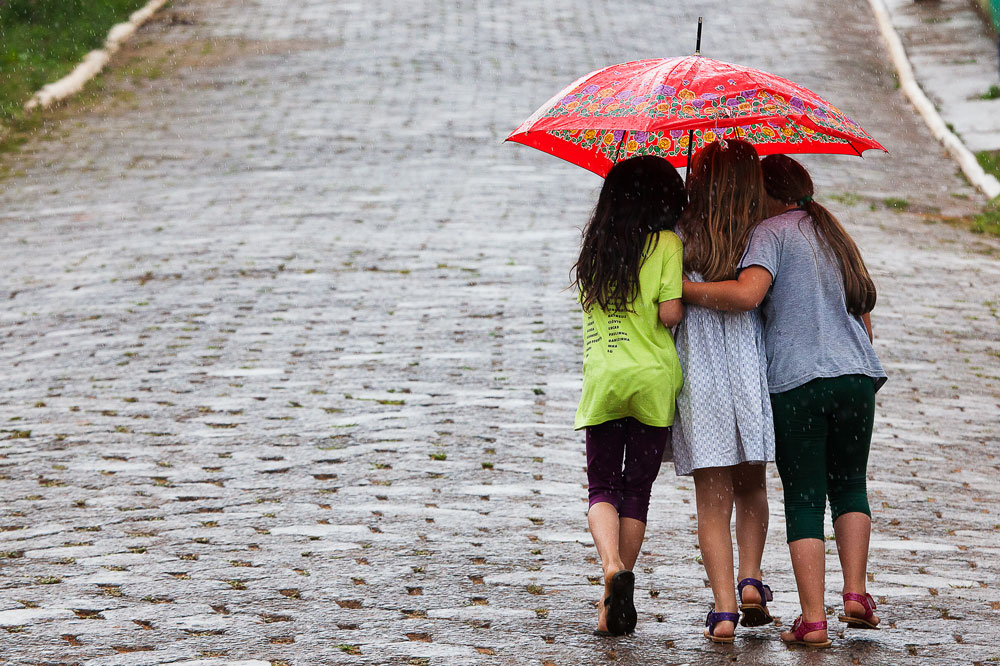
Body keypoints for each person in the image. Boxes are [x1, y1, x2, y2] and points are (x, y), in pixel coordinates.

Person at [682, 154, 887, 649]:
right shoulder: (833, 234)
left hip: (799, 384)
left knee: (804, 497)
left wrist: (683, 289)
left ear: (769, 196)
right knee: (850, 486)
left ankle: (813, 620)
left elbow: (749, 294)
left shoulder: (769, 233)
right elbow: (865, 317)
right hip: (858, 379)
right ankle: (856, 594)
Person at [572, 156, 687, 636]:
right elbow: (671, 314)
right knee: (636, 488)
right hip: (653, 380)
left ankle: (611, 569)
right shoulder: (666, 243)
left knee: (601, 485)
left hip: (604, 378)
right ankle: (613, 596)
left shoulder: (597, 244)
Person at [671, 139, 776, 643]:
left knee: (711, 497)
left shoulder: (679, 237)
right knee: (752, 483)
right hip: (748, 369)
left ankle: (724, 609)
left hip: (701, 375)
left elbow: (665, 304)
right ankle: (751, 578)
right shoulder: (760, 237)